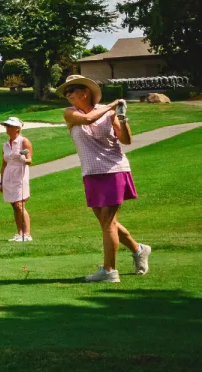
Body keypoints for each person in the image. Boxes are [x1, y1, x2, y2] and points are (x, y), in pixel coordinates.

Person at [57, 74, 151, 283]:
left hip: (114, 169)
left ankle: (110, 271)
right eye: (65, 92)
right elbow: (89, 119)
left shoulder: (108, 114)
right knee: (107, 223)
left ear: (85, 92)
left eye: (71, 90)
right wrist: (113, 105)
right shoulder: (70, 113)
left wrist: (122, 117)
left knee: (108, 222)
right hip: (91, 172)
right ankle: (139, 250)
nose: (67, 95)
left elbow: (126, 140)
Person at [0, 117, 33, 242]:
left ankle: (27, 234)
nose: (7, 128)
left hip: (20, 174)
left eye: (9, 126)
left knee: (20, 204)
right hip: (9, 175)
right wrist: (1, 181)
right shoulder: (5, 145)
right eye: (6, 126)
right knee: (14, 205)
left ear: (17, 129)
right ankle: (20, 233)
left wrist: (24, 159)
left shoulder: (24, 141)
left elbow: (30, 159)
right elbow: (3, 164)